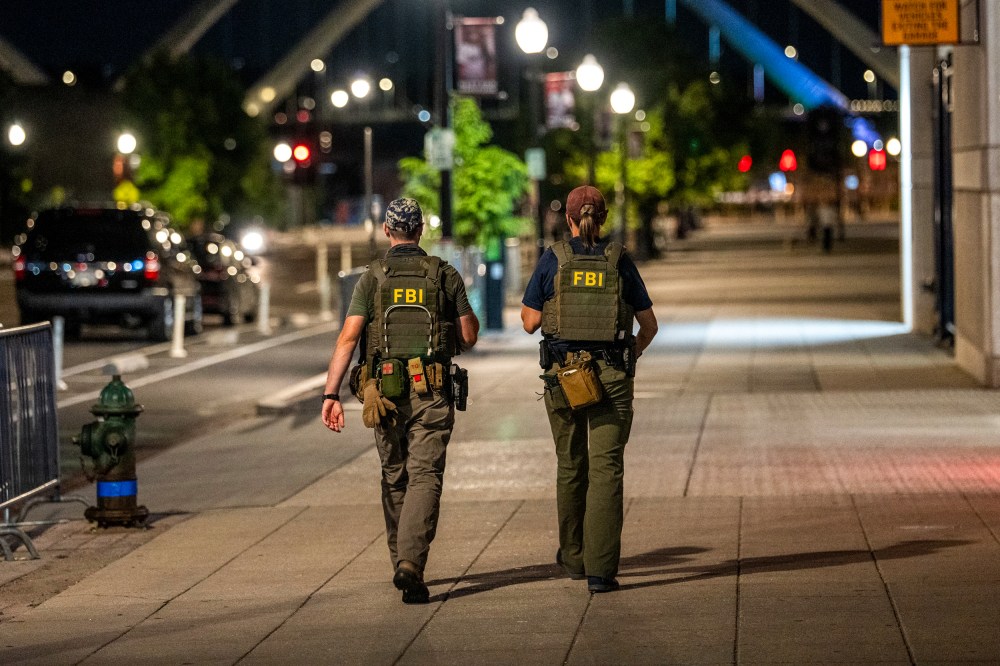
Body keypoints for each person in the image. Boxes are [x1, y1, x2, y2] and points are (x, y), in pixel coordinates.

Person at [321, 198, 480, 604]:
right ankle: (412, 564)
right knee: (425, 476)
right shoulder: (443, 274)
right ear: (420, 230)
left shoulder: (373, 277)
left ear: (389, 232)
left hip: (383, 391)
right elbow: (469, 335)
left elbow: (348, 338)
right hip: (431, 390)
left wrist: (330, 394)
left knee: (395, 477)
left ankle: (402, 564)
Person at [521, 185, 658, 593]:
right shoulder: (619, 261)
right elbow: (649, 326)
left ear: (568, 219)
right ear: (603, 218)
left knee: (570, 464)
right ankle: (601, 572)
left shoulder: (554, 259)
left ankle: (575, 557)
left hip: (564, 378)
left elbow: (529, 322)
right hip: (612, 376)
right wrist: (626, 355)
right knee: (606, 469)